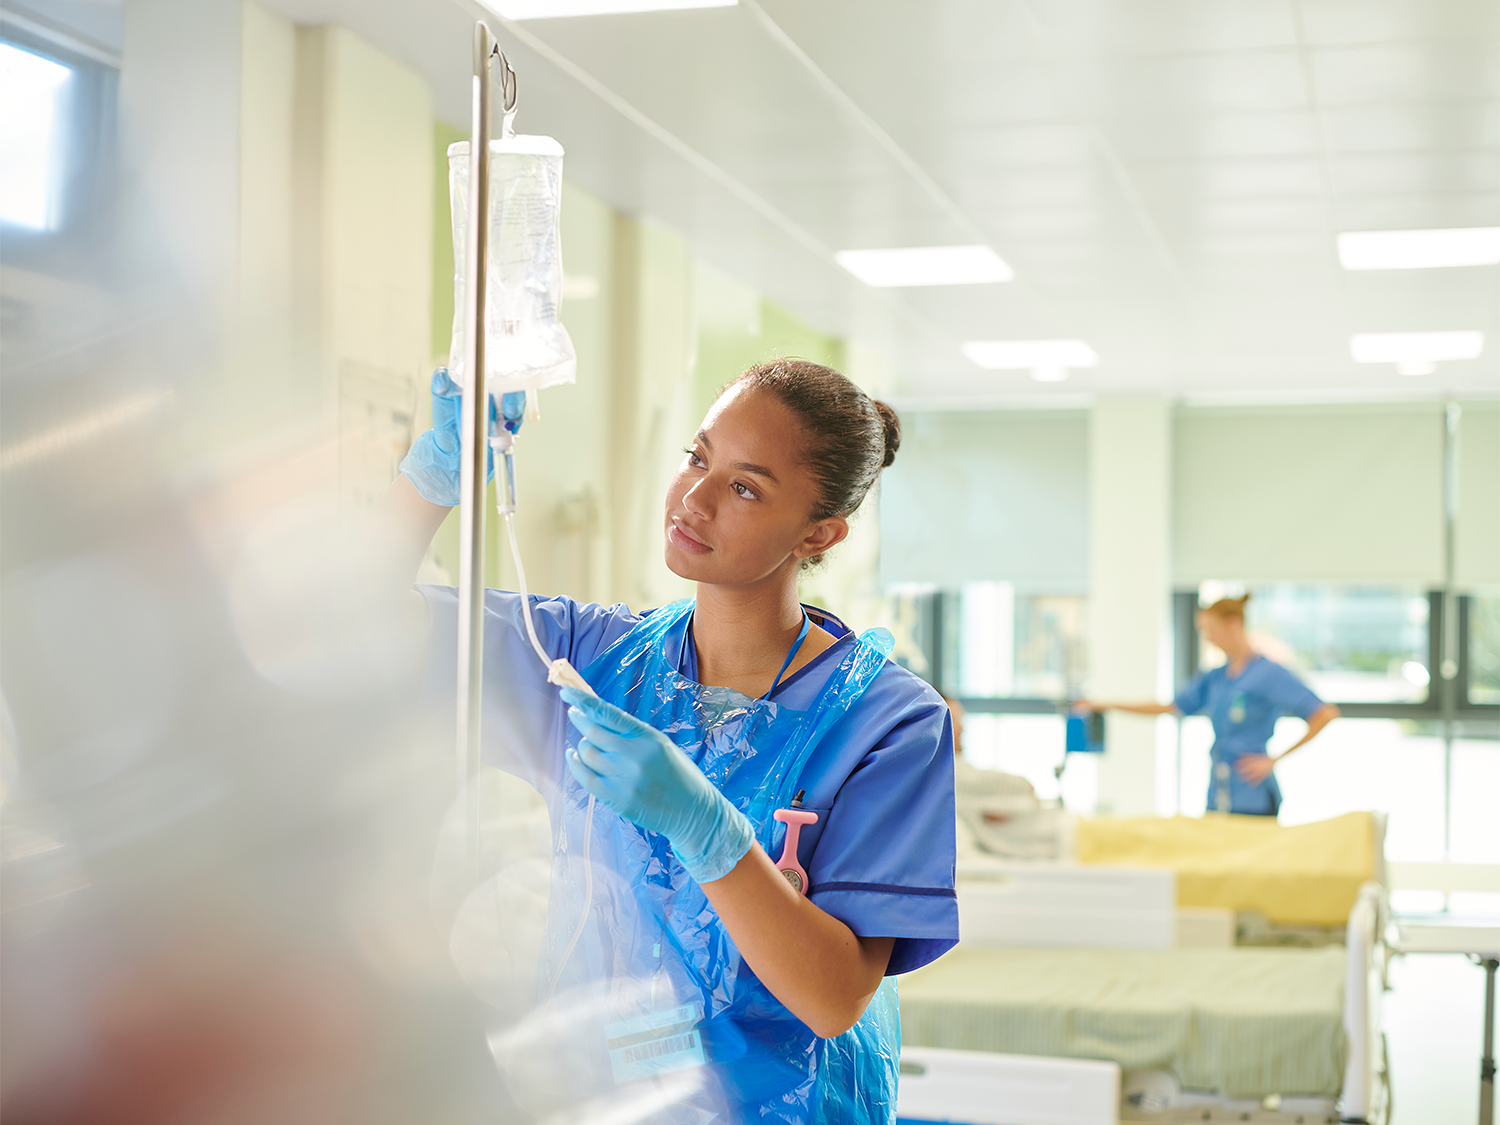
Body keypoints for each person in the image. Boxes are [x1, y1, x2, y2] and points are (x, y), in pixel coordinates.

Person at [374, 360, 957, 1123]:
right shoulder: (588, 661)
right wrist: (433, 476)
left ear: (820, 531)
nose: (695, 497)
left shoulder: (886, 722)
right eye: (697, 456)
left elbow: (833, 997)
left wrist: (708, 830)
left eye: (745, 487)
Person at [1075, 595, 1339, 817]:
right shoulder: (1217, 677)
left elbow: (1325, 714)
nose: (1208, 638)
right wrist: (1106, 704)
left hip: (1252, 795)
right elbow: (1170, 707)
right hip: (1218, 792)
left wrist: (1274, 760)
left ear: (1233, 625)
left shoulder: (1268, 674)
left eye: (1210, 630)